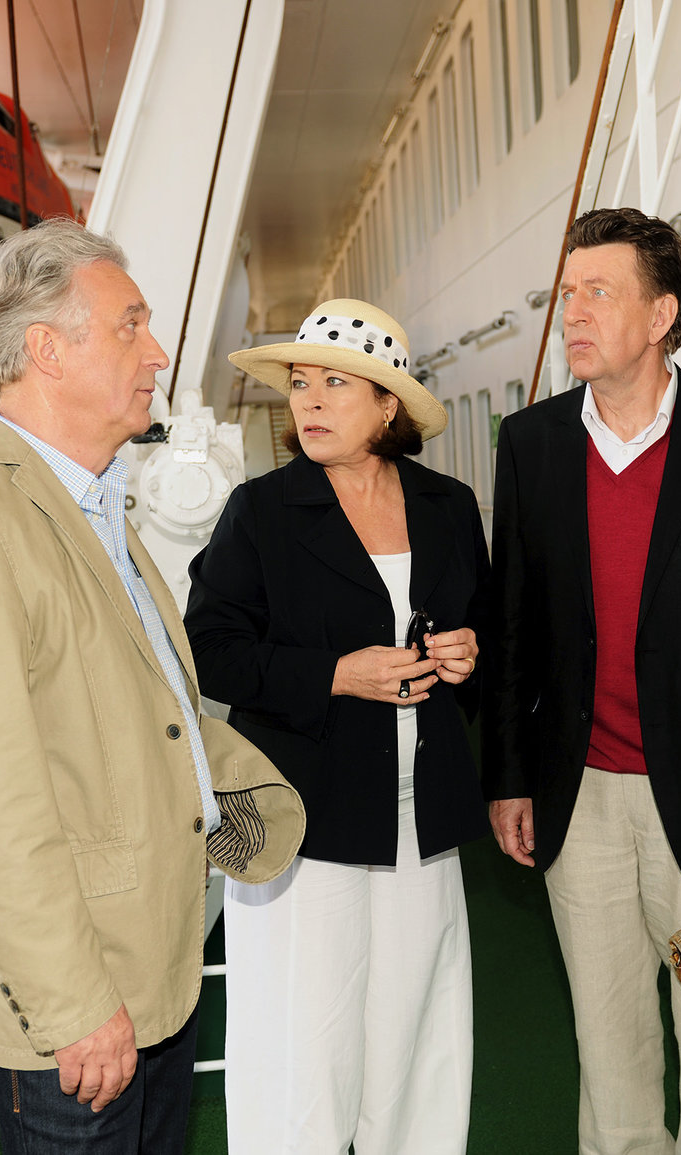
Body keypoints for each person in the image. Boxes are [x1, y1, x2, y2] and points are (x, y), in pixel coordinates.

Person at [0, 219, 304, 1154]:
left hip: (151, 973)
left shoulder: (96, 503)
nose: (157, 353)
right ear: (48, 350)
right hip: (79, 1012)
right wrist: (74, 1006)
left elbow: (145, 708)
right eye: (129, 326)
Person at [482, 206, 681, 1155]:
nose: (573, 312)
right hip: (578, 796)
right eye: (568, 293)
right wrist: (509, 774)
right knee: (607, 1044)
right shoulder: (531, 442)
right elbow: (513, 623)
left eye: (598, 292)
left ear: (662, 316)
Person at [183, 298, 489, 1153]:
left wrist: (469, 653)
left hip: (420, 811)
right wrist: (335, 674)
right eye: (299, 383)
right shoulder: (261, 511)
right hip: (304, 815)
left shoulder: (448, 505)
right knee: (303, 1041)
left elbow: (487, 630)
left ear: (388, 406)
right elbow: (208, 650)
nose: (309, 401)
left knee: (416, 1031)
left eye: (335, 384)